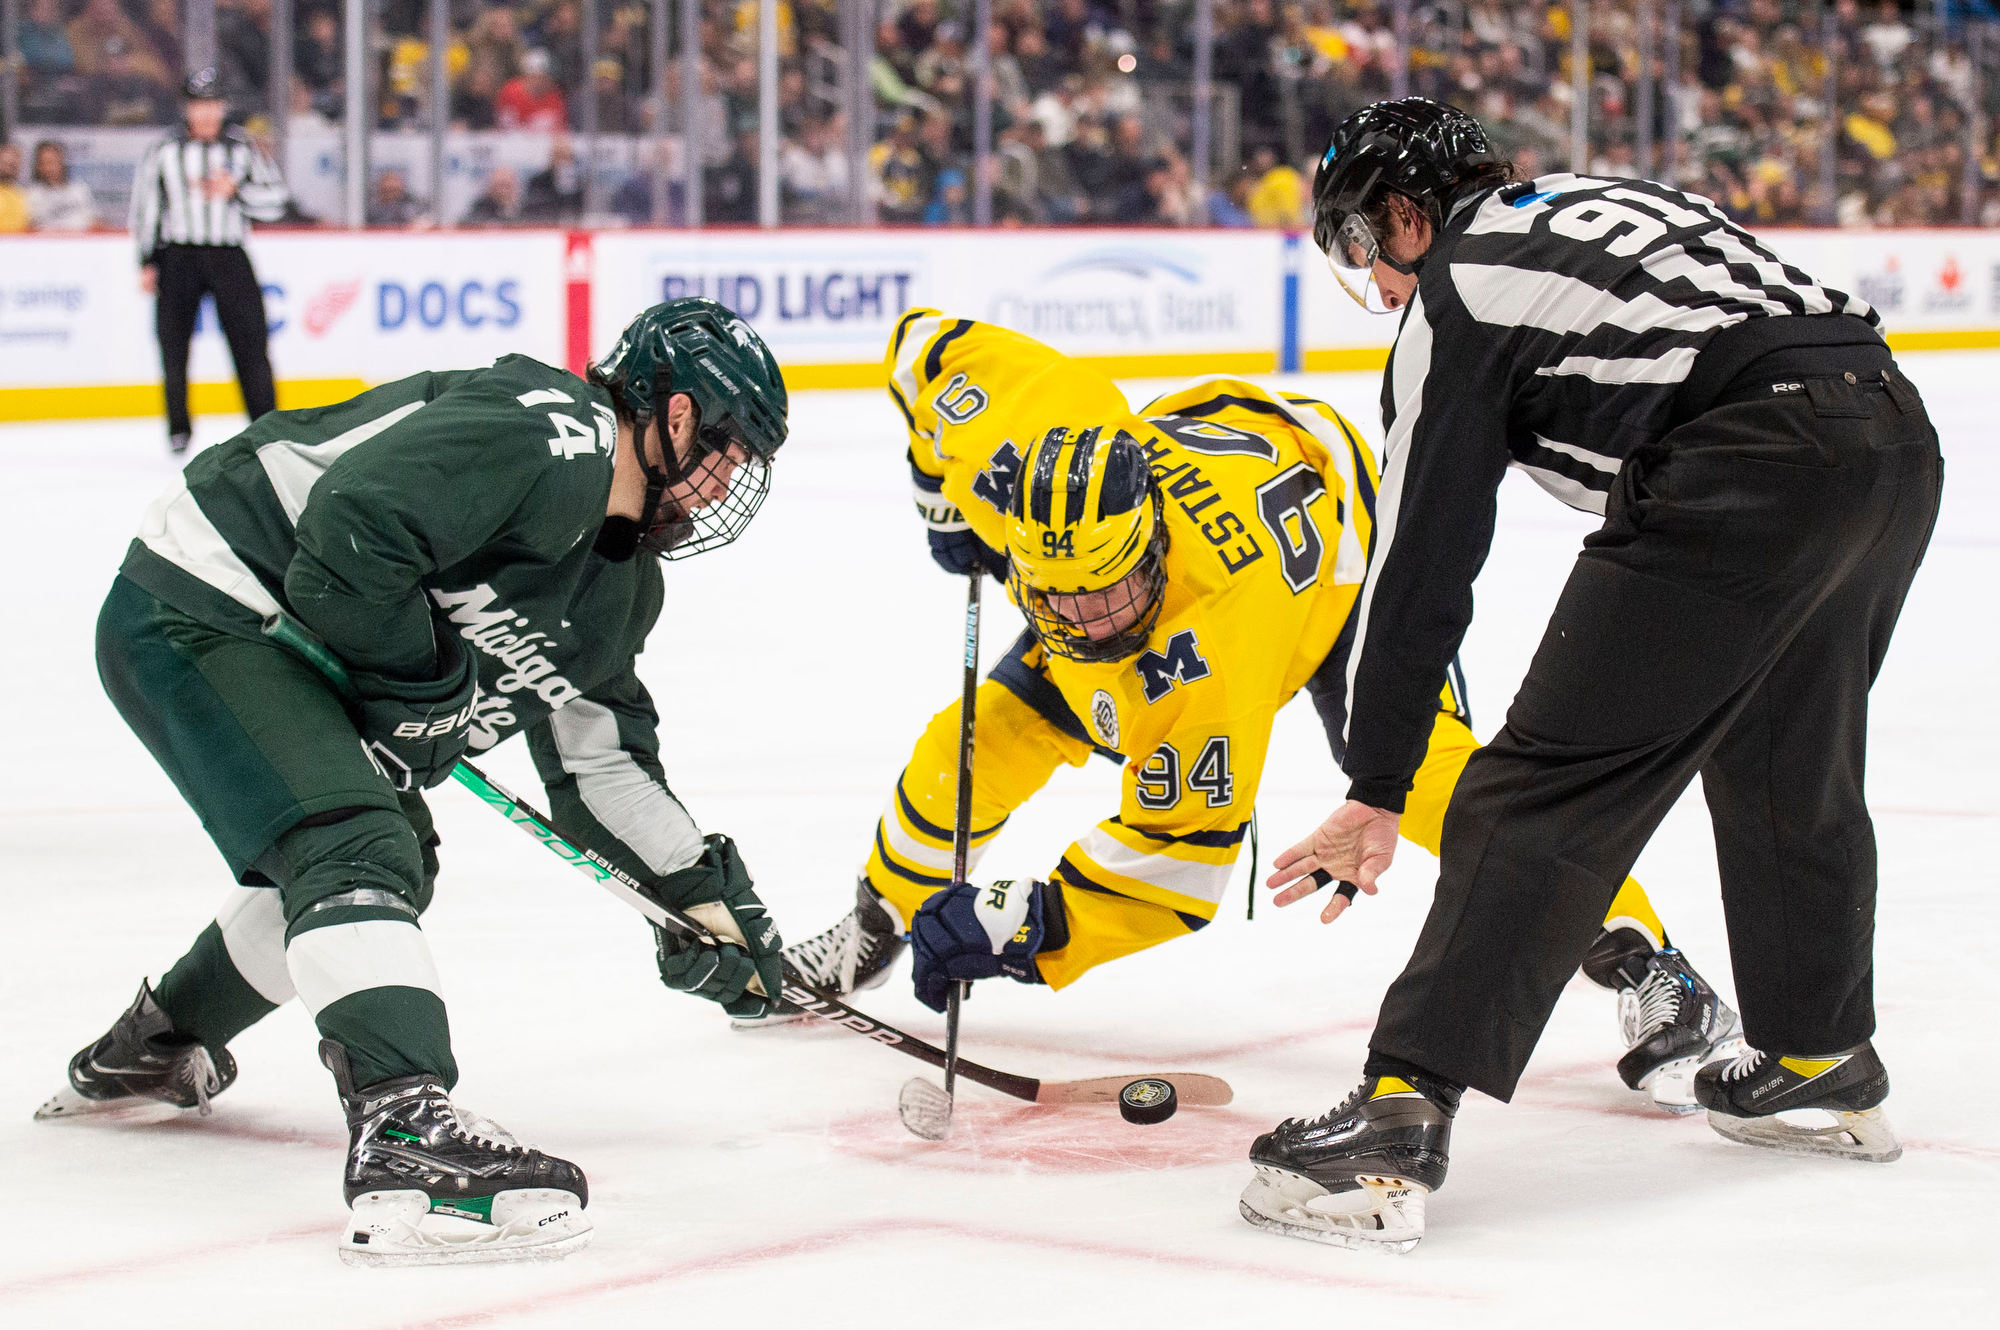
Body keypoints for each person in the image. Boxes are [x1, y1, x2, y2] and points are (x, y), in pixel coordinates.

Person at [745, 308, 1740, 1118]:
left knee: (1443, 789)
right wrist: (943, 495)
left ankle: (1653, 969)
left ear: (1149, 547)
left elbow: (1174, 866)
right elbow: (923, 344)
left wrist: (1023, 926)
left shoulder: (1209, 646)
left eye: (1105, 596)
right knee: (971, 745)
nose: (1087, 625)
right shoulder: (1027, 443)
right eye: (1059, 599)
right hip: (1238, 445)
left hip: (1346, 571)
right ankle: (877, 916)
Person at [1243, 98, 1940, 1253]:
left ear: (1410, 215)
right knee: (1788, 759)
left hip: (1742, 459)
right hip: (1889, 439)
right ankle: (1816, 1060)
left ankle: (1394, 1116)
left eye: (1362, 245)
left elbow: (1421, 562)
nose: (1369, 284)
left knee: (1533, 792)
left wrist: (1377, 783)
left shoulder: (1456, 289)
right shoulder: (1601, 200)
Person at [34, 299, 793, 1267]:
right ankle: (402, 1131)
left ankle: (150, 1048)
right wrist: (421, 682)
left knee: (389, 856)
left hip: (282, 647)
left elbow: (602, 762)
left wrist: (698, 899)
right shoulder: (549, 428)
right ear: (676, 416)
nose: (730, 481)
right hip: (210, 602)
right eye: (731, 449)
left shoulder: (617, 585)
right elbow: (353, 528)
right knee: (356, 844)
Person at [129, 69, 289, 456]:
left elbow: (276, 201)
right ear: (187, 107)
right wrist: (147, 260)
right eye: (199, 104)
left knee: (251, 341)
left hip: (228, 254)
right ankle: (178, 428)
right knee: (173, 344)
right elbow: (146, 206)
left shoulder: (243, 147)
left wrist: (237, 191)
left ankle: (266, 422)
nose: (206, 113)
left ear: (223, 106)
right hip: (178, 255)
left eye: (213, 104)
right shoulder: (164, 149)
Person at [28, 140, 98, 231]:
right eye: (45, 163)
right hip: (47, 242)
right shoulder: (32, 194)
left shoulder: (79, 189)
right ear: (38, 167)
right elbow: (30, 226)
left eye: (53, 162)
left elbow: (95, 220)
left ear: (62, 162)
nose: (50, 168)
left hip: (81, 241)